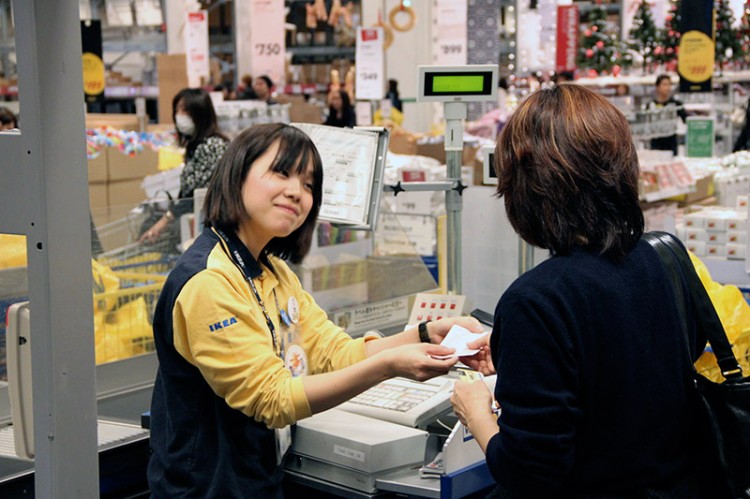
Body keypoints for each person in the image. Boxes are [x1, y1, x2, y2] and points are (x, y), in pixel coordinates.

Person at [147, 122, 484, 497]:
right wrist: (390, 366)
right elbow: (272, 399)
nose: (297, 193)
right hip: (206, 488)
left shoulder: (273, 272)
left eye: (309, 185)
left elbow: (334, 353)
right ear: (237, 174)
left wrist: (423, 333)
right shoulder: (209, 281)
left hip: (257, 478)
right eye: (281, 172)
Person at [450, 85, 708, 497]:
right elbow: (638, 367)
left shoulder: (535, 301)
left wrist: (476, 412)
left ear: (526, 189)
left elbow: (528, 471)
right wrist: (517, 355)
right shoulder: (664, 257)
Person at [139, 88, 228, 245]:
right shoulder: (195, 146)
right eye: (177, 109)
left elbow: (198, 194)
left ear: (200, 113)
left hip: (208, 229)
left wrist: (163, 222)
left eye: (185, 110)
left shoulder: (213, 146)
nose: (180, 115)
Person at [647, 74, 687, 156]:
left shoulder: (676, 104)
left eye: (669, 84)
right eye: (664, 84)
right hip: (655, 143)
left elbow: (686, 120)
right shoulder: (650, 105)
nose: (667, 87)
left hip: (671, 143)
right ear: (657, 87)